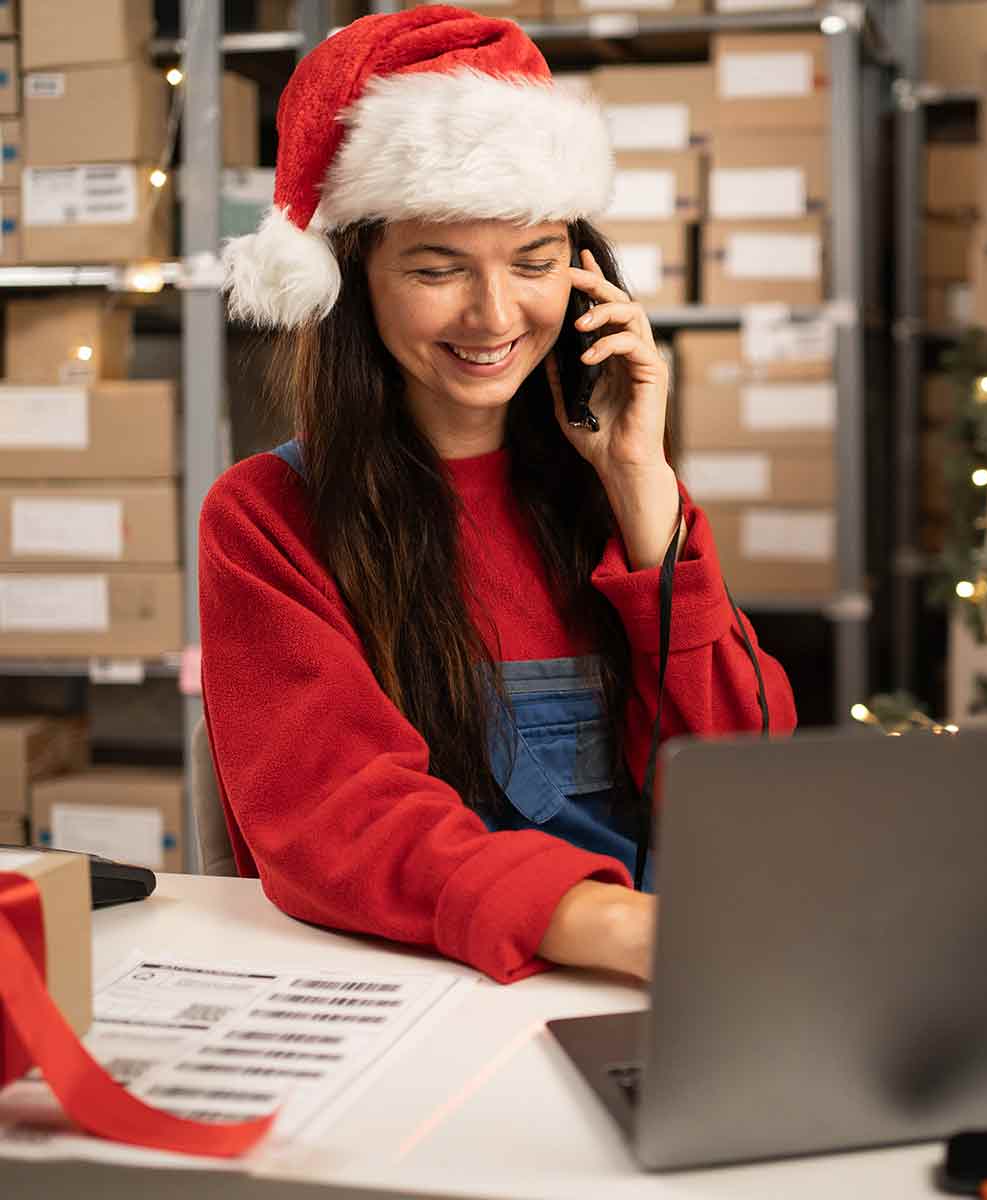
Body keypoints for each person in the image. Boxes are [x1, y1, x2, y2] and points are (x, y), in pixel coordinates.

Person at [201, 5, 797, 987]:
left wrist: (644, 493)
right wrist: (624, 930)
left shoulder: (620, 492)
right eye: (438, 270)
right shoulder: (266, 517)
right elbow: (341, 819)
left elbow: (749, 785)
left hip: (672, 976)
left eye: (535, 263)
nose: (494, 316)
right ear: (355, 284)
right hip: (445, 989)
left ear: (588, 272)